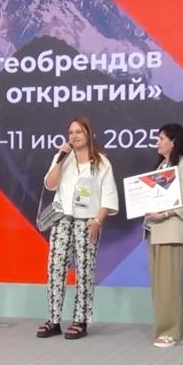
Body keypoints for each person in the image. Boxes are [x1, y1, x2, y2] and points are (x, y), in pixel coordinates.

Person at [36, 116, 118, 339]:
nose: (74, 136)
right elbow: (50, 184)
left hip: (88, 221)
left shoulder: (101, 162)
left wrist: (98, 221)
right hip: (61, 218)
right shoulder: (63, 157)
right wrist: (60, 159)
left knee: (84, 270)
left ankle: (80, 320)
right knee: (55, 268)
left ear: (89, 134)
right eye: (71, 132)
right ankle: (54, 320)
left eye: (79, 132)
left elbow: (109, 195)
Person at [144, 123, 183, 348]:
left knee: (169, 285)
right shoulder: (163, 166)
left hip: (172, 231)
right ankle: (181, 329)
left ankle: (170, 333)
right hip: (156, 231)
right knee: (162, 285)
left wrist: (164, 214)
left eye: (161, 139)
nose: (157, 143)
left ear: (174, 142)